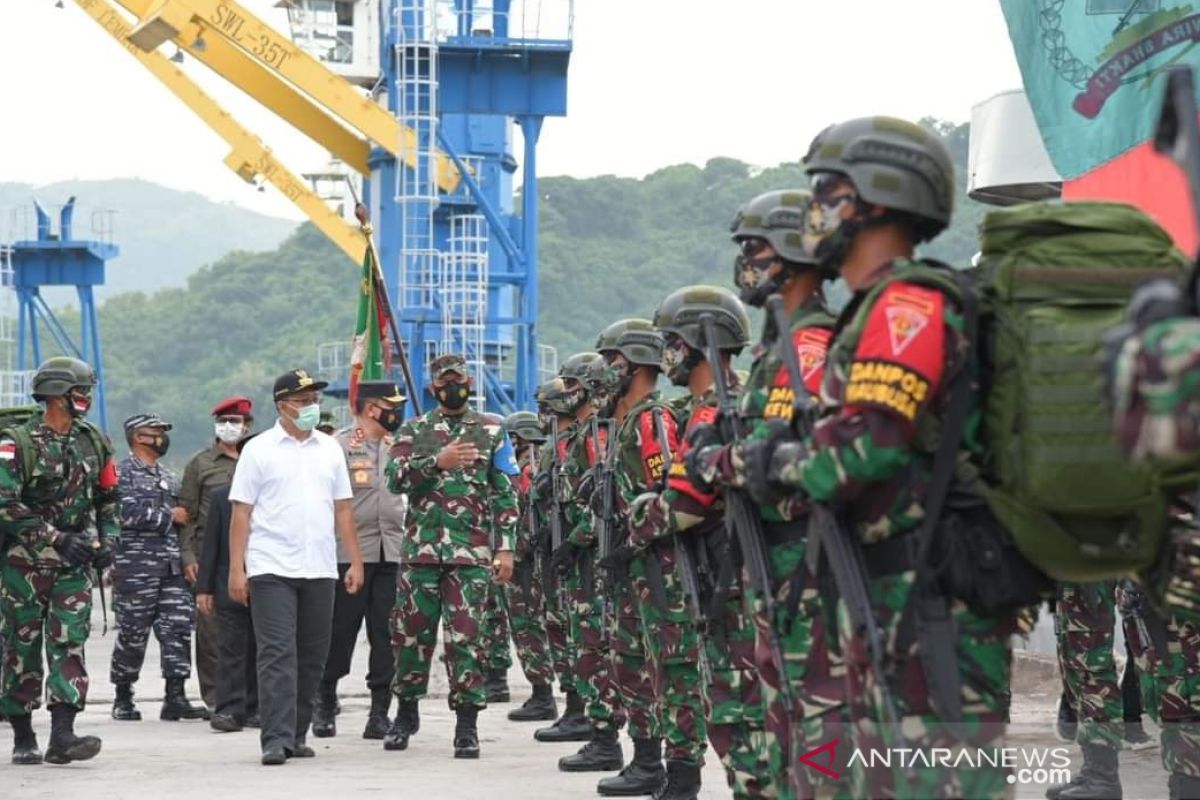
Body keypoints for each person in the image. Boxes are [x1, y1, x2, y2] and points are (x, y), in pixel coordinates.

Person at [746, 116, 1020, 798]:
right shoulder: (874, 309)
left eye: (825, 191)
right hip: (888, 589)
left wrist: (772, 460)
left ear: (871, 198)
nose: (814, 212)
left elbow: (858, 454)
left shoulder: (909, 305)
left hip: (930, 597)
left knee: (944, 781)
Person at [686, 189, 840, 798]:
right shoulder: (777, 351)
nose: (745, 263)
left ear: (795, 256)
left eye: (756, 249)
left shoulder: (811, 348)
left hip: (808, 570)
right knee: (784, 735)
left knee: (820, 739)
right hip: (773, 572)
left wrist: (719, 460)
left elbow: (796, 458)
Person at [227, 368, 365, 765]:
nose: (310, 407)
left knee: (311, 654)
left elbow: (342, 509)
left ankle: (297, 733)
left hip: (320, 567)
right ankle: (275, 737)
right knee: (276, 653)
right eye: (302, 401)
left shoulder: (329, 448)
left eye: (313, 400)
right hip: (272, 567)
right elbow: (242, 513)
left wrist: (354, 559)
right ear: (282, 406)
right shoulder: (259, 449)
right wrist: (237, 569)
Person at [384, 353, 517, 759]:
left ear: (470, 382)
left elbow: (504, 491)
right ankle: (405, 713)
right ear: (433, 387)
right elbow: (395, 479)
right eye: (445, 381)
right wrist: (435, 463)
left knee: (466, 639)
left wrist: (506, 546)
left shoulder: (491, 430)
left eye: (458, 380)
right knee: (411, 637)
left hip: (470, 555)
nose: (452, 387)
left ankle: (466, 725)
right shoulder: (416, 430)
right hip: (421, 554)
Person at [0, 356, 118, 765]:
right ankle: (23, 736)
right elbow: (5, 502)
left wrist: (109, 542)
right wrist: (53, 537)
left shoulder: (93, 440)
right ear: (55, 394)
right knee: (22, 647)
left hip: (73, 565)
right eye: (78, 392)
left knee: (69, 643)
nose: (85, 398)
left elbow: (108, 497)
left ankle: (63, 736)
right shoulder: (18, 441)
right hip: (24, 566)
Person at [311, 381, 407, 740]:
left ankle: (379, 711)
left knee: (386, 635)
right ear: (371, 409)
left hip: (393, 553)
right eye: (390, 405)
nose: (396, 412)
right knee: (339, 632)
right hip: (347, 556)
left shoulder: (400, 448)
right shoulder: (337, 447)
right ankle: (325, 701)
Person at [109, 412, 207, 722]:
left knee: (177, 628)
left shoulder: (169, 474)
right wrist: (167, 515)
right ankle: (123, 696)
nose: (162, 437)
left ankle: (175, 696)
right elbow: (120, 512)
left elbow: (186, 517)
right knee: (132, 633)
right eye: (157, 431)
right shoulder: (120, 474)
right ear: (138, 436)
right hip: (135, 568)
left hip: (171, 566)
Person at [181, 395, 253, 711]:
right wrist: (189, 557)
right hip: (213, 557)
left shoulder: (257, 459)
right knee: (211, 633)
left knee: (253, 632)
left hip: (255, 556)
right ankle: (215, 698)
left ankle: (252, 696)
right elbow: (186, 514)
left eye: (234, 422)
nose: (228, 427)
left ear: (247, 425)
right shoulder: (201, 464)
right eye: (222, 422)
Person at [531, 378, 589, 743]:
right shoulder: (557, 445)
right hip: (557, 542)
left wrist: (569, 540)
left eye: (548, 409)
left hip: (576, 547)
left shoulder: (579, 442)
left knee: (577, 632)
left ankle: (581, 710)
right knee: (560, 626)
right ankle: (574, 706)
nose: (544, 416)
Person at [500, 410, 559, 723]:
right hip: (539, 558)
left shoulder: (527, 469)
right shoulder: (541, 465)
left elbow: (523, 517)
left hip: (527, 561)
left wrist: (513, 551)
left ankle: (543, 694)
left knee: (528, 627)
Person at [196, 479, 258, 732]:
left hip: (269, 581)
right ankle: (229, 709)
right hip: (227, 583)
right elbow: (211, 543)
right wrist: (204, 588)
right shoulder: (222, 495)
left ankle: (257, 707)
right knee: (229, 648)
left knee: (263, 649)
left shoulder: (278, 491)